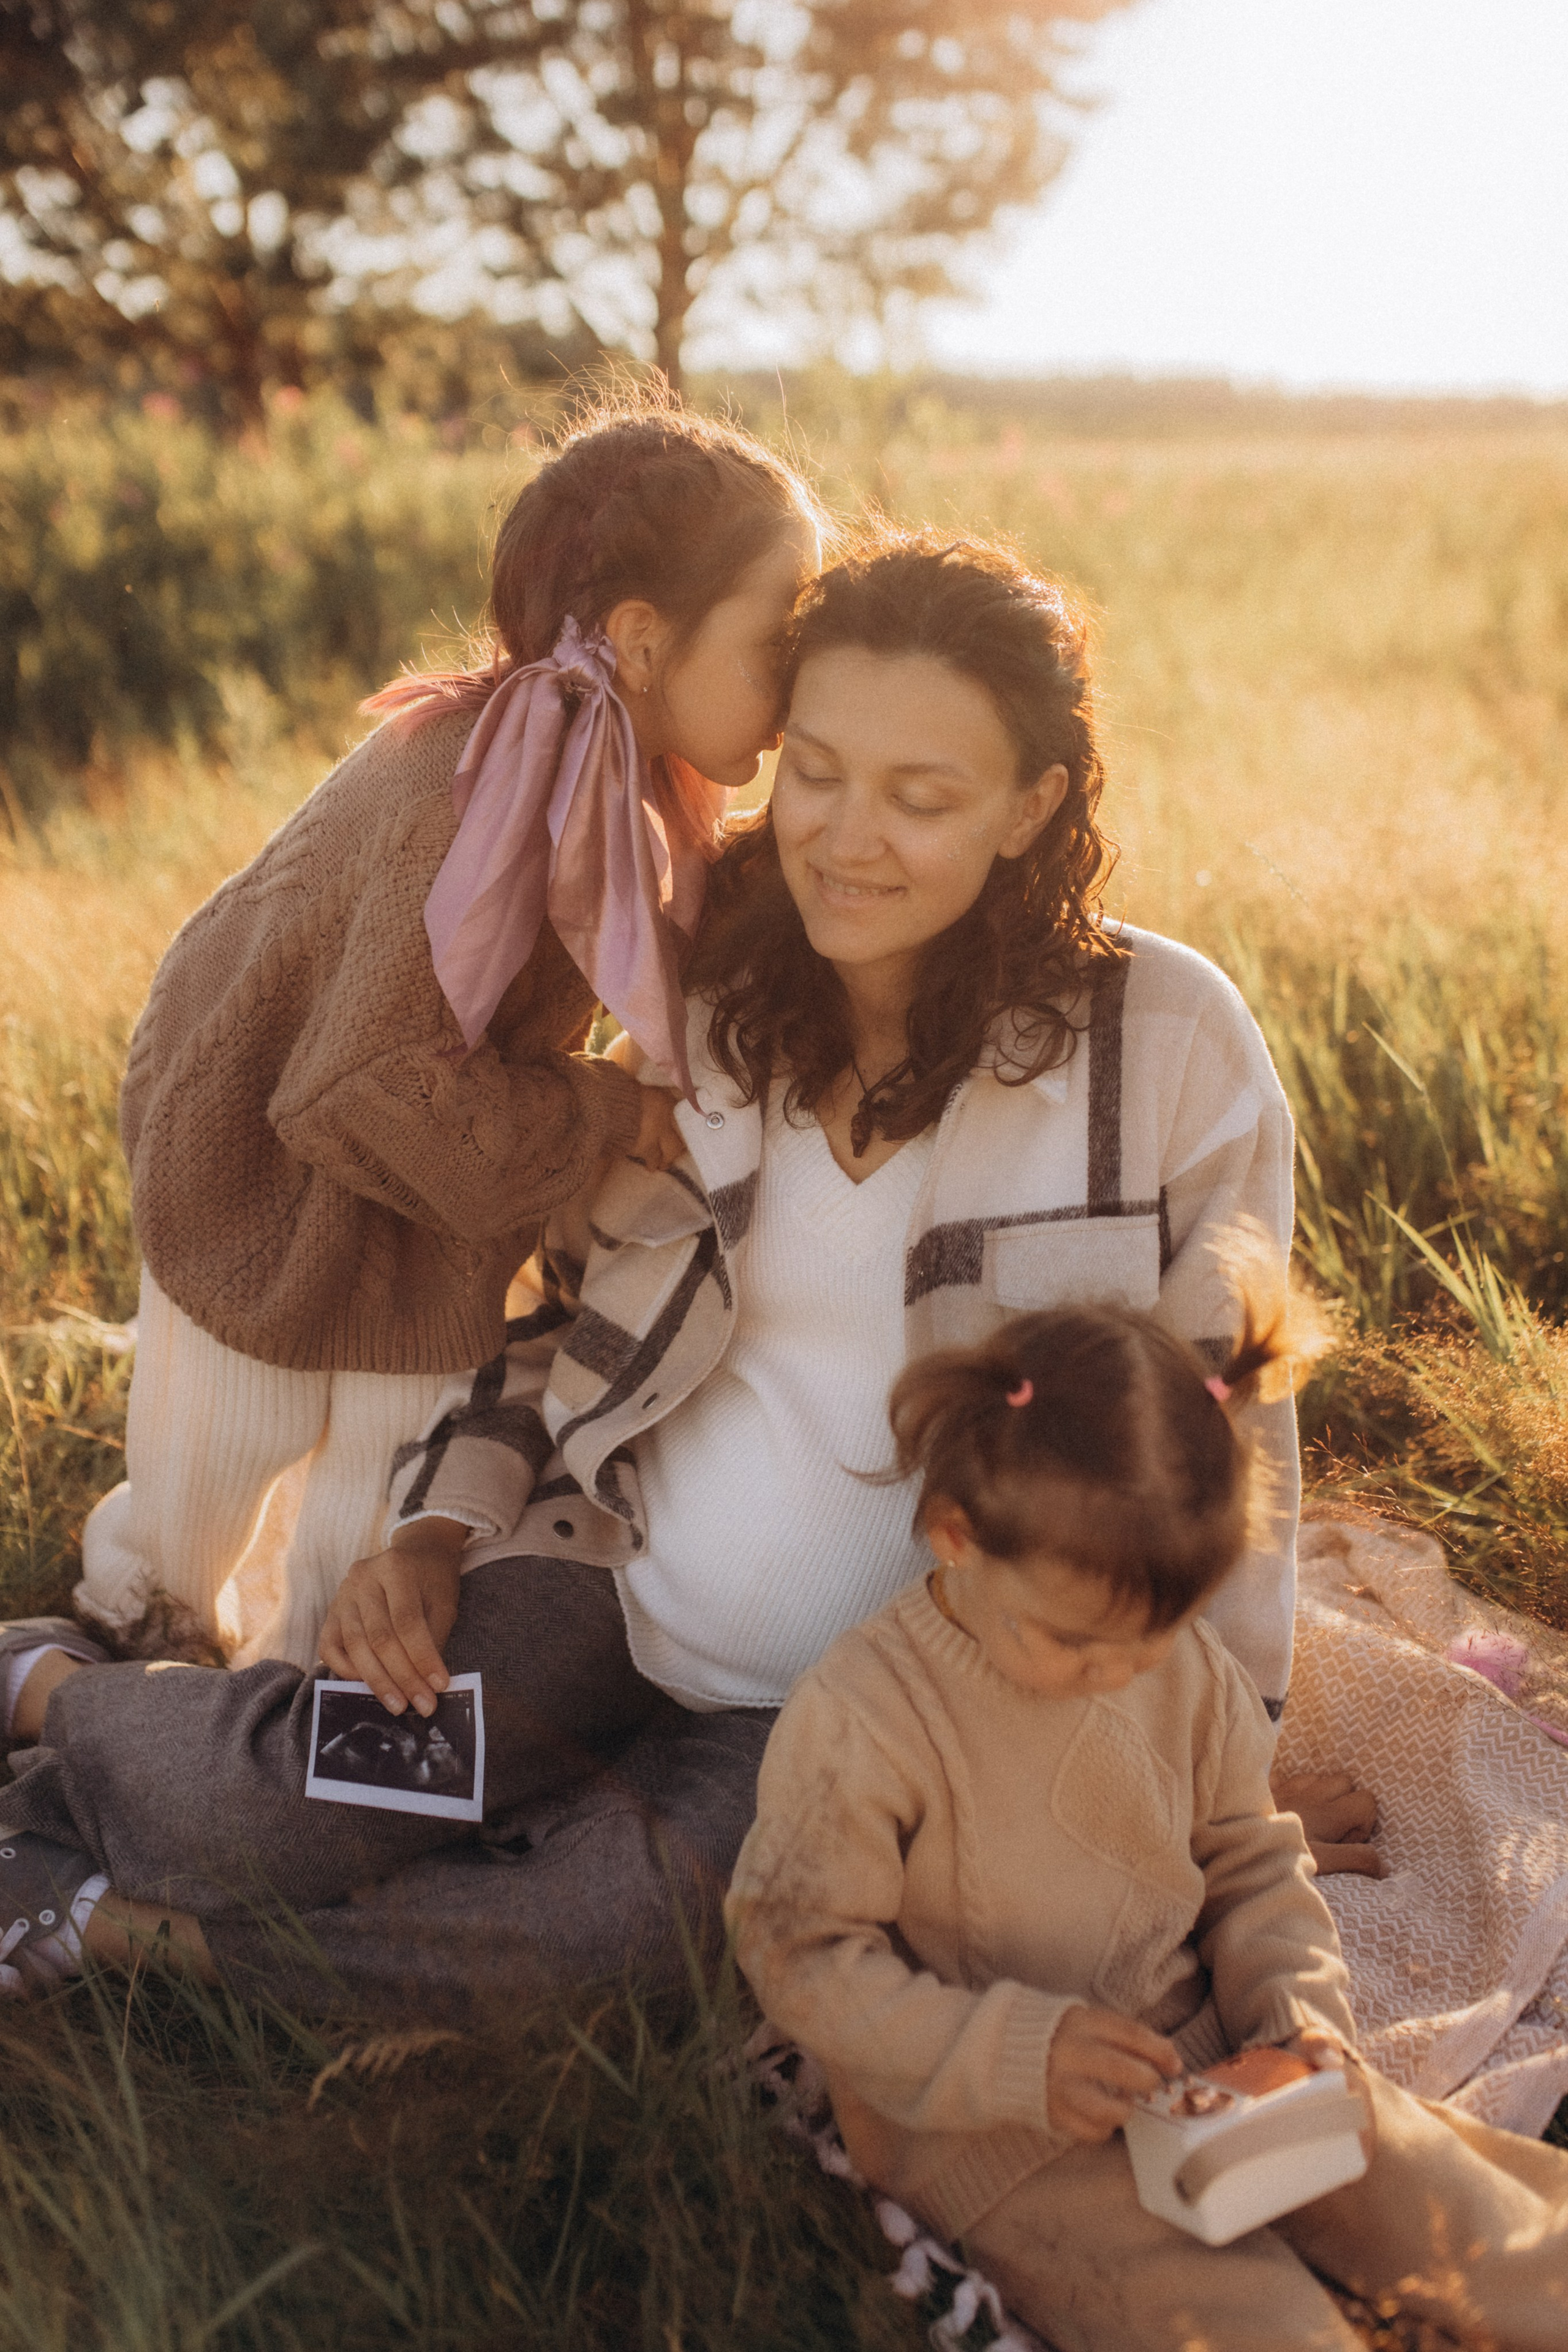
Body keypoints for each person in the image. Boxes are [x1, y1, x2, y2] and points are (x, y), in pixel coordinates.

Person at [0, 532, 1369, 2013]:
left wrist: (1221, 1763)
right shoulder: (709, 994)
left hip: (861, 1701)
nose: (846, 838)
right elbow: (560, 1317)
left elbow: (1227, 1429)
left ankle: (109, 1925)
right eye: (816, 773)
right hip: (602, 1582)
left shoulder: (1162, 1044)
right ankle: (45, 1686)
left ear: (1030, 808)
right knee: (283, 1799)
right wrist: (435, 1535)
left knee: (614, 1936)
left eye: (920, 799)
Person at [69, 391, 824, 1670]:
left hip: (429, 1202)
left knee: (374, 1507)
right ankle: (117, 1644)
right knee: (209, 1479)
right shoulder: (469, 794)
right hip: (260, 1178)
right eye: (777, 639)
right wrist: (607, 1110)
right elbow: (357, 1081)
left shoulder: (626, 778)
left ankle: (303, 1693)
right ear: (643, 641)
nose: (795, 689)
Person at [726, 1301, 1568, 2352]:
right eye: (1079, 1642)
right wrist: (1020, 2055)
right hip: (1003, 2131)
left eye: (1154, 1637)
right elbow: (798, 1950)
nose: (1119, 1672)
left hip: (1219, 2067)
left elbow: (1253, 1858)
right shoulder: (867, 1717)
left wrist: (1295, 2019)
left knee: (1464, 2215)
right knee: (1257, 2328)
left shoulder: (1185, 1671)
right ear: (957, 1536)